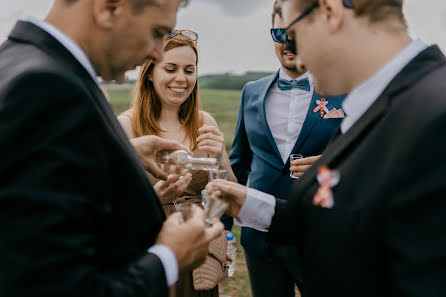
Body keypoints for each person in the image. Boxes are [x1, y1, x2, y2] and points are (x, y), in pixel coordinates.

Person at [207, 0, 446, 297]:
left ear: (330, 12)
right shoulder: (381, 102)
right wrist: (252, 204)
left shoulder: (435, 116)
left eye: (293, 36)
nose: (297, 58)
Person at [0, 0, 224, 296]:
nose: (156, 53)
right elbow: (54, 285)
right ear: (109, 8)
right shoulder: (46, 87)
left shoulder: (18, 60)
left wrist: (122, 152)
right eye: (157, 32)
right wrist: (169, 258)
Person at [228, 1, 346, 296]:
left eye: (296, 34)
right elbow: (239, 165)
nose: (288, 44)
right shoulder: (251, 92)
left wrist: (334, 164)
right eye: (280, 35)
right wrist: (223, 228)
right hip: (259, 239)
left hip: (319, 238)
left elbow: (367, 161)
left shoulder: (342, 90)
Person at [118, 30, 237, 297]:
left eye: (189, 70)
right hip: (149, 249)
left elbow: (230, 196)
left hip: (198, 252)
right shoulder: (127, 126)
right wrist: (155, 196)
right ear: (149, 72)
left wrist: (218, 157)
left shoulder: (205, 122)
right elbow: (113, 206)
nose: (181, 79)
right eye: (170, 69)